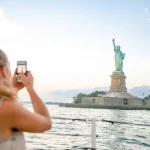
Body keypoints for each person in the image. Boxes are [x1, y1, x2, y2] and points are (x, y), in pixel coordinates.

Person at [0, 49, 52, 150]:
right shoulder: (6, 108)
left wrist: (13, 89)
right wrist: (30, 88)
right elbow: (46, 123)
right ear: (4, 71)